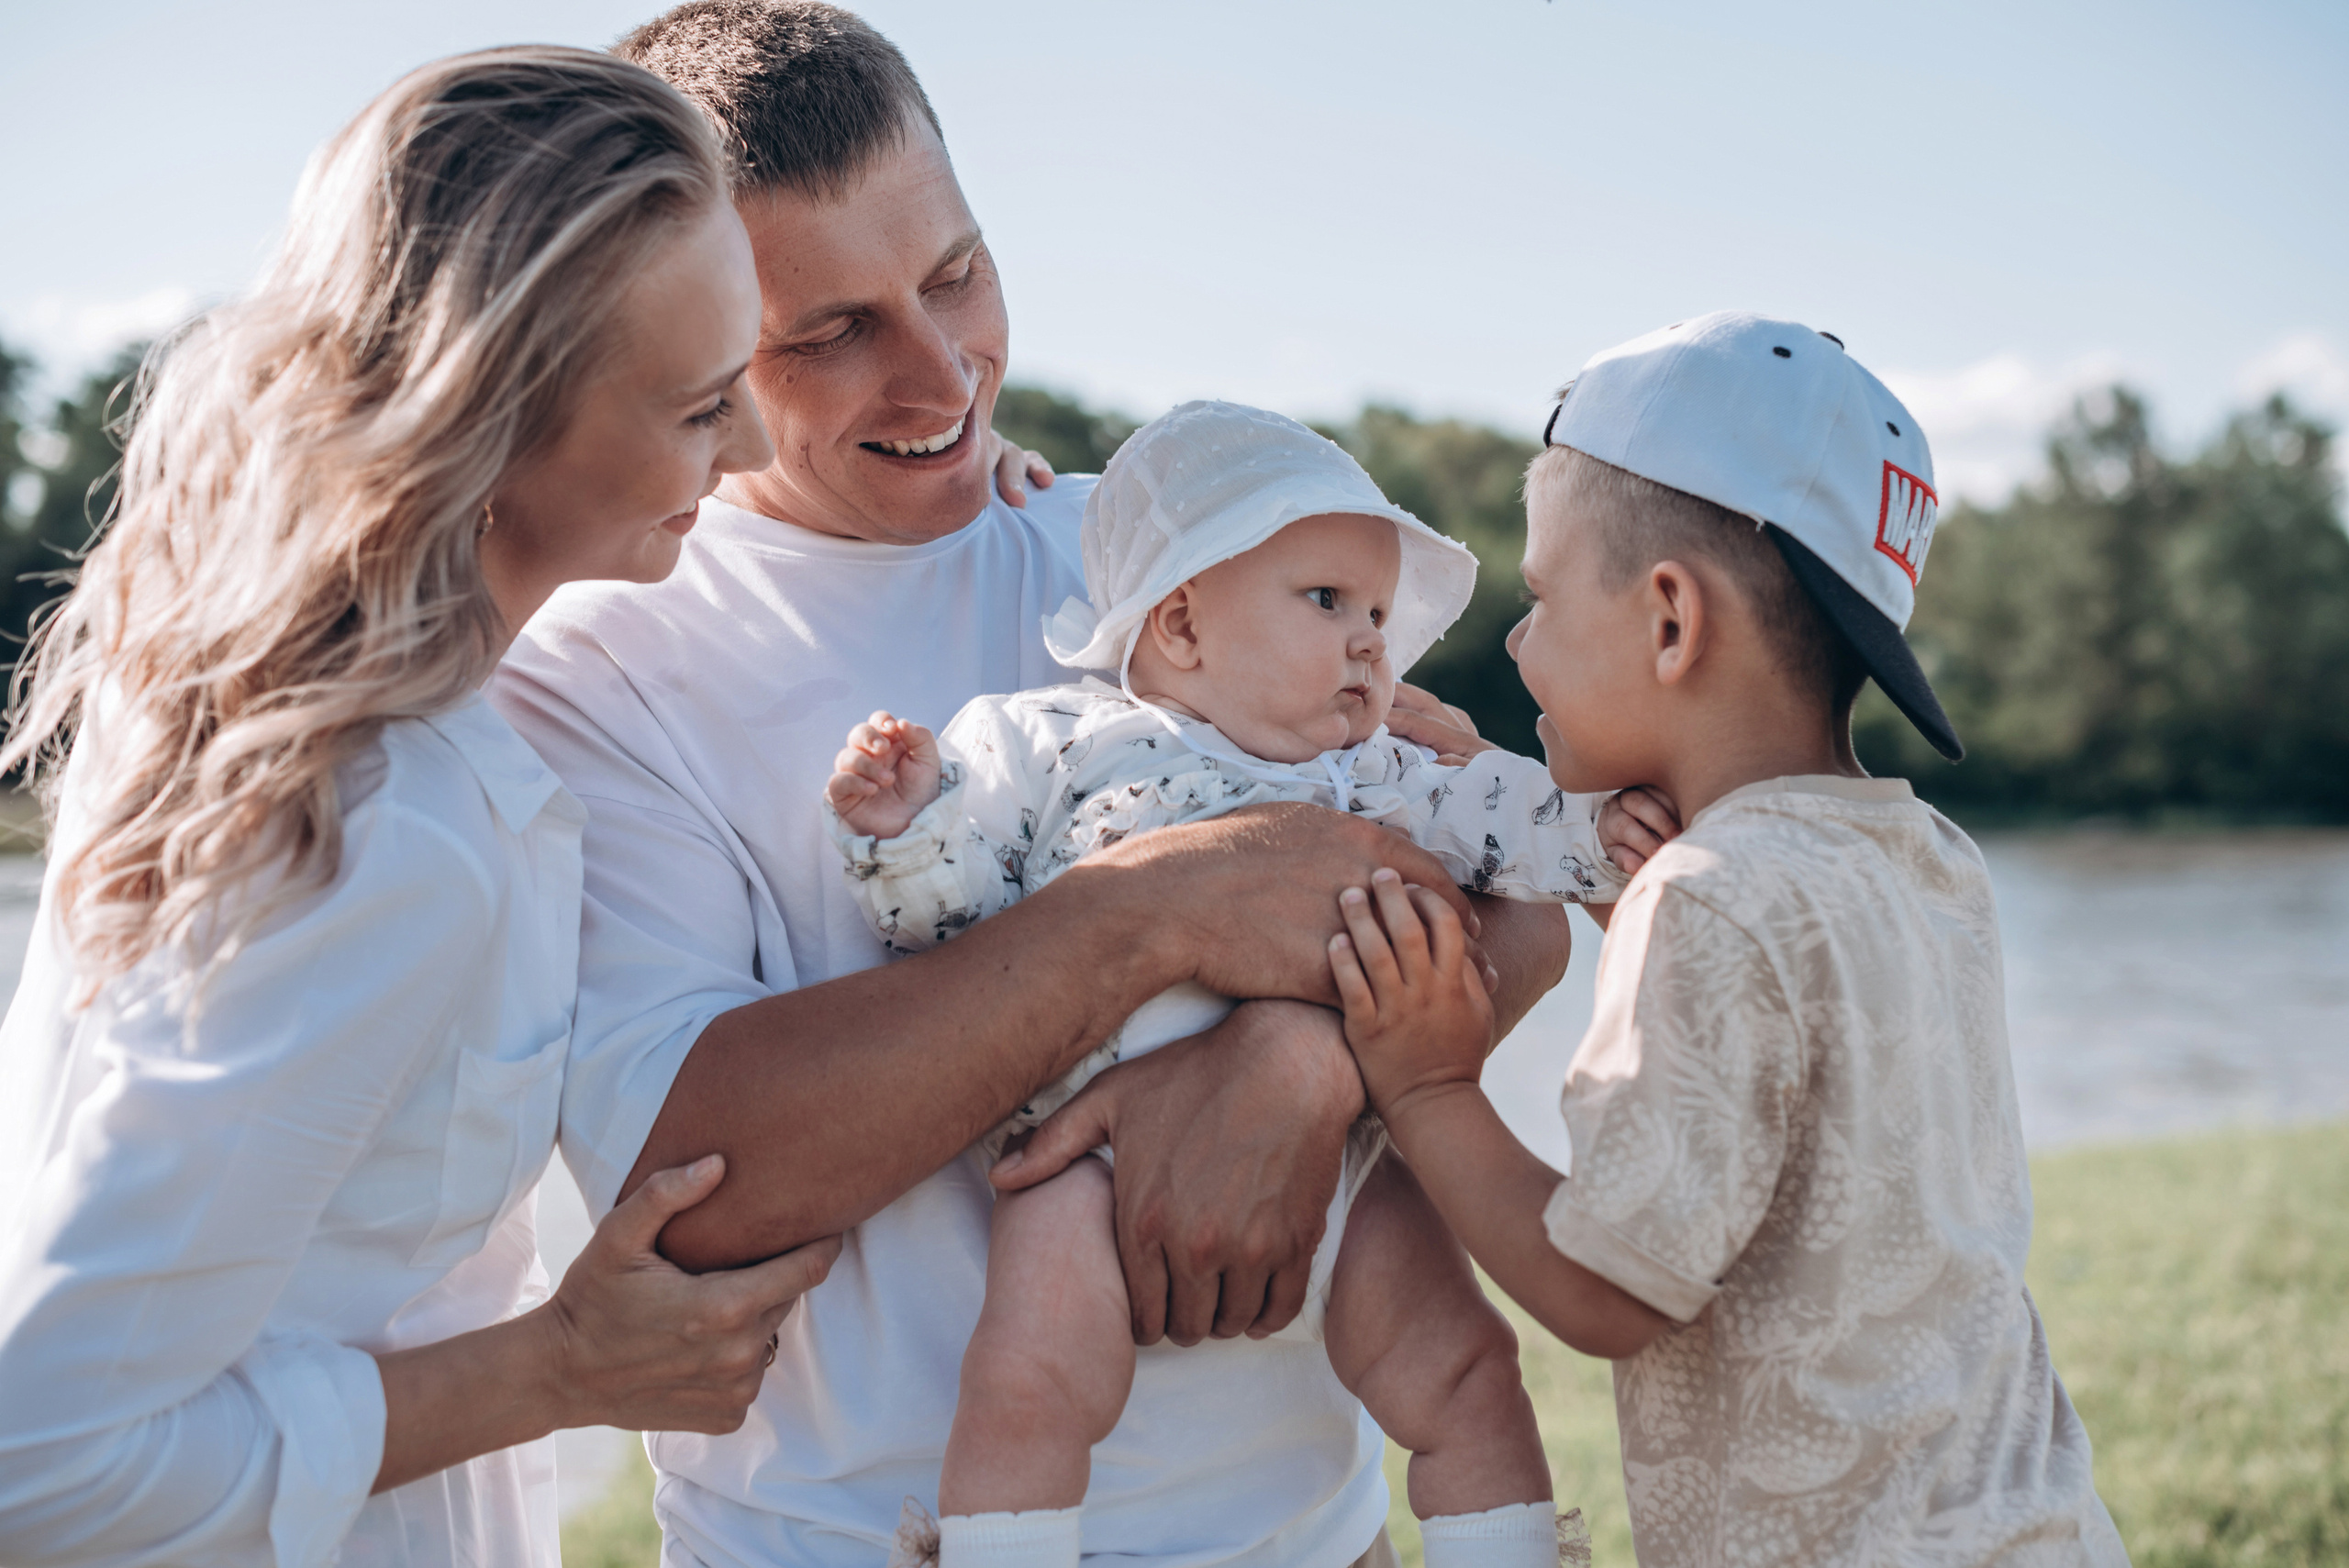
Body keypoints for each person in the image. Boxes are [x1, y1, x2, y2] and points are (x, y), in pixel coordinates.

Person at [490, 6, 1574, 1564]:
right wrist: (1151, 915)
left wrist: (1298, 1063)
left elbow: (1508, 903)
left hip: (1310, 1535)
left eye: (956, 275)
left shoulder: (1168, 568)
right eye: (830, 329)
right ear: (689, 335)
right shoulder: (601, 664)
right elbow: (693, 1182)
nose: (943, 371)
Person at [0, 49, 843, 1568]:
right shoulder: (394, 825)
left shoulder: (230, 672)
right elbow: (40, 1456)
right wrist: (559, 1368)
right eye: (703, 405)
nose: (757, 450)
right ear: (494, 412)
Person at [1318, 312, 2132, 1565]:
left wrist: (1427, 1081)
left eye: (1538, 597)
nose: (1520, 642)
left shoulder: (1708, 898)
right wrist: (1493, 780)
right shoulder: (1924, 863)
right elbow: (1744, 1015)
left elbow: (1610, 1288)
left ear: (1671, 622)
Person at [825, 402, 1685, 1568]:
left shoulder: (1374, 771)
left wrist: (1596, 833)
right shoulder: (1048, 742)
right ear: (1178, 622)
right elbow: (957, 927)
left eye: (1380, 613)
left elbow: (1498, 823)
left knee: (1466, 1364)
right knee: (1027, 1383)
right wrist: (908, 820)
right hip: (1082, 1161)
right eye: (1327, 602)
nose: (1372, 642)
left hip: (1349, 1151)